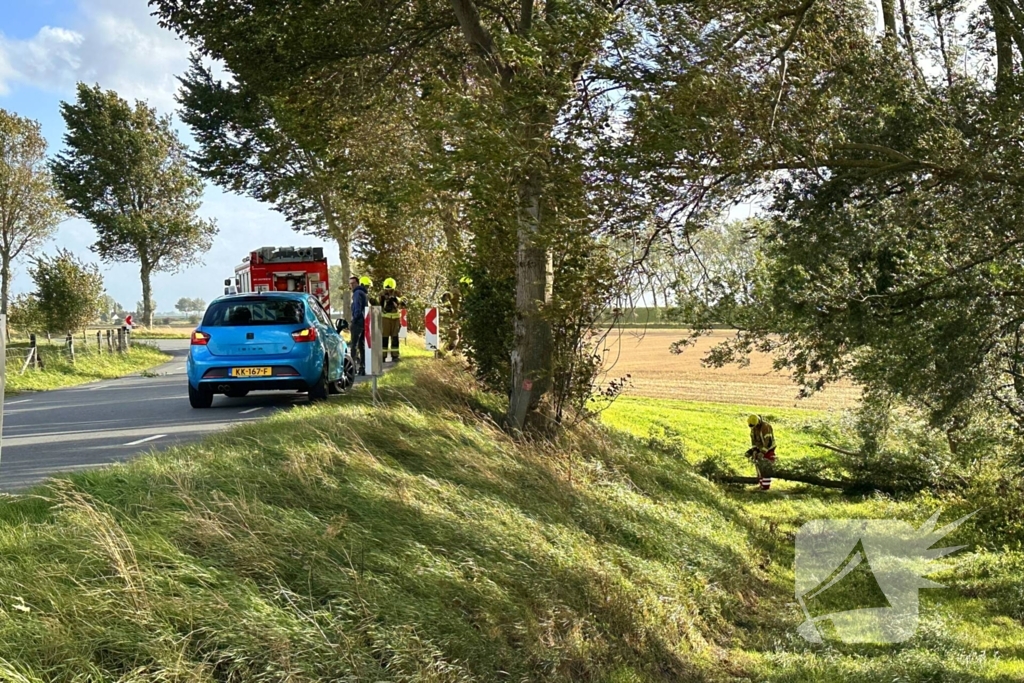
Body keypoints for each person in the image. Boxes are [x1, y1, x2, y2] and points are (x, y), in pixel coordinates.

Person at [746, 414, 776, 491]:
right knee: (758, 467)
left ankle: (765, 488)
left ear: (758, 422)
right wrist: (754, 451)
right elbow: (753, 441)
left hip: (768, 449)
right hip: (759, 449)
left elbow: (768, 442)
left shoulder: (765, 427)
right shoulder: (753, 428)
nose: (753, 428)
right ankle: (761, 484)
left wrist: (762, 452)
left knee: (766, 467)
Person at [379, 277, 404, 362]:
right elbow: (375, 303)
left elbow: (403, 302)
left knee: (395, 337)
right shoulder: (381, 294)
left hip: (396, 318)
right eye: (387, 289)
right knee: (384, 338)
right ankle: (383, 356)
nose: (388, 291)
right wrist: (382, 299)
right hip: (385, 318)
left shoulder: (397, 293)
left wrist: (395, 299)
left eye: (390, 290)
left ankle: (395, 356)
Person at [349, 275, 369, 374]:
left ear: (357, 283)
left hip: (358, 322)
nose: (351, 285)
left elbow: (357, 308)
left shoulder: (357, 293)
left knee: (354, 345)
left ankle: (352, 369)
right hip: (364, 322)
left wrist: (354, 320)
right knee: (362, 345)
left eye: (353, 283)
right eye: (350, 284)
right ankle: (363, 367)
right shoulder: (363, 293)